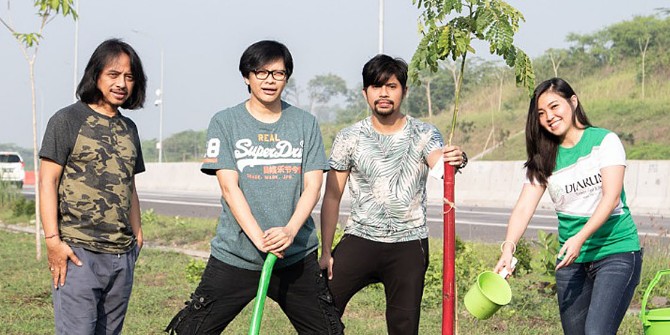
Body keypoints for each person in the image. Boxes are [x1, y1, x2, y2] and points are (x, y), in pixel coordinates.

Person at [165, 40, 343, 335]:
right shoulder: (225, 122)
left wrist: (288, 231)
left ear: (287, 78)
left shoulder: (305, 123)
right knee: (191, 330)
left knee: (329, 331)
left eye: (278, 73)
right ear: (247, 76)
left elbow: (313, 185)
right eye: (261, 72)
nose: (270, 80)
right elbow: (229, 187)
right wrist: (260, 239)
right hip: (237, 254)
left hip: (296, 255)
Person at [319, 54, 467, 335]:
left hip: (408, 245)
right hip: (360, 239)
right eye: (376, 87)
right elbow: (332, 197)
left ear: (404, 91)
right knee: (319, 306)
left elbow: (439, 161)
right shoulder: (349, 137)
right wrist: (326, 250)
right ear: (365, 93)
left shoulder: (424, 133)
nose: (384, 93)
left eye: (391, 86)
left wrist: (455, 159)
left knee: (403, 326)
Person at [494, 78, 641, 334]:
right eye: (541, 113)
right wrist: (508, 248)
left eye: (554, 106)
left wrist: (580, 237)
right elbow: (523, 209)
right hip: (571, 262)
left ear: (573, 101)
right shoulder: (543, 158)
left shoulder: (604, 141)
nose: (549, 116)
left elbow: (612, 198)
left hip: (616, 252)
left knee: (596, 332)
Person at [39, 38, 147, 335]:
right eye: (113, 75)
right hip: (78, 253)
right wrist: (52, 241)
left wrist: (137, 234)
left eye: (129, 76)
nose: (122, 83)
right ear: (96, 75)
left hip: (121, 255)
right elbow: (47, 181)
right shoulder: (67, 120)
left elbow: (130, 184)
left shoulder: (129, 129)